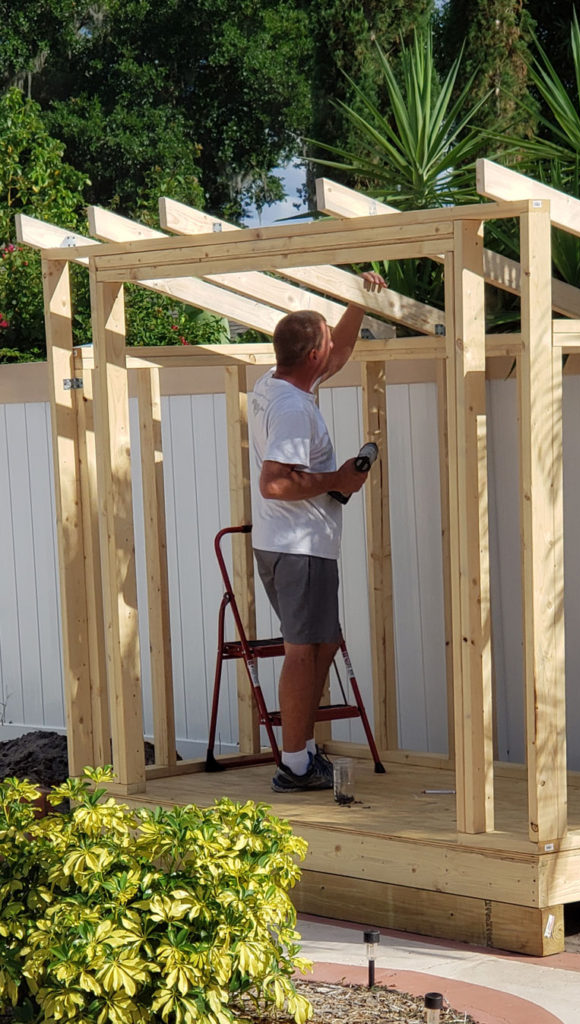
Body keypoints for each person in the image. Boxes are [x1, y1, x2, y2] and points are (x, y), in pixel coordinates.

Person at [251, 270, 388, 792]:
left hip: (293, 544)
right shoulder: (290, 409)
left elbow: (341, 350)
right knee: (303, 651)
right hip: (298, 546)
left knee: (323, 643)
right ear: (312, 357)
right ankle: (295, 765)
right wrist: (339, 479)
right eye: (326, 342)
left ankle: (303, 748)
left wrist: (360, 298)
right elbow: (274, 482)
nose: (334, 350)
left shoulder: (280, 381)